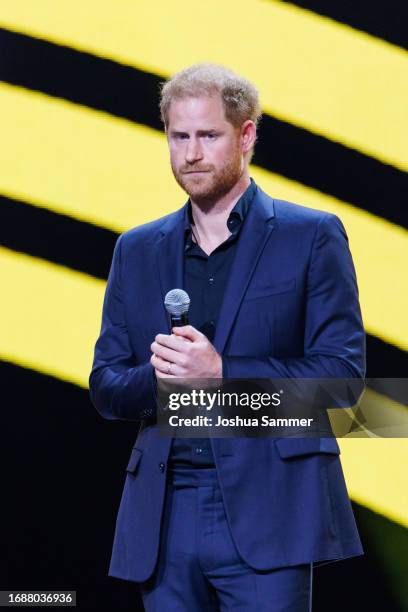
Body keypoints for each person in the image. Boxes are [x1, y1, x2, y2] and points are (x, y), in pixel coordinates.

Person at [89, 63, 365, 611]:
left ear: (247, 135)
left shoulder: (310, 236)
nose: (191, 153)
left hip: (270, 512)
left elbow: (342, 380)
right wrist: (166, 379)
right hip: (165, 513)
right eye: (179, 136)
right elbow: (107, 386)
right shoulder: (137, 249)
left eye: (208, 135)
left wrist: (220, 375)